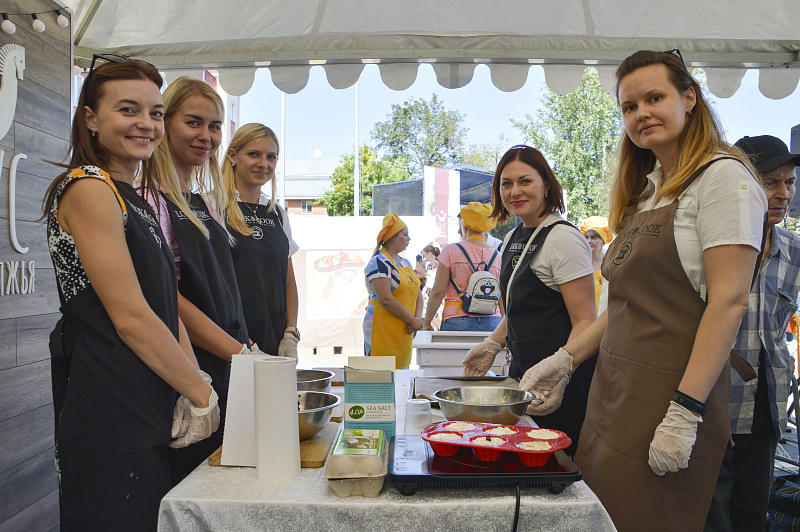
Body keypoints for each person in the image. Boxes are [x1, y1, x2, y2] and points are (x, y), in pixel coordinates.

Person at [520, 50, 768, 532]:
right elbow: (624, 304)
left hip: (670, 398)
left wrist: (685, 411)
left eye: (655, 98)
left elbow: (729, 301)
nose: (641, 114)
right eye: (629, 107)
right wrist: (566, 361)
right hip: (615, 395)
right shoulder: (648, 189)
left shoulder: (722, 179)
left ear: (690, 98)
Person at [43, 58, 218, 531]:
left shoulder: (132, 195)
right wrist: (202, 393)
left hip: (150, 407)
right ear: (91, 118)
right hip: (109, 409)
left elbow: (165, 306)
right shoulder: (87, 188)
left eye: (156, 112)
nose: (146, 123)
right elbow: (131, 316)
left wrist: (190, 379)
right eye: (128, 109)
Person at [139, 76, 249, 479]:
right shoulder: (149, 198)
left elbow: (225, 290)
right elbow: (170, 301)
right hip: (192, 366)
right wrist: (238, 354)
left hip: (226, 357)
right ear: (165, 124)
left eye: (215, 125)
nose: (206, 136)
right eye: (193, 122)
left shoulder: (206, 201)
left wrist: (245, 346)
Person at [461, 145, 597, 454]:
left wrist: (561, 374)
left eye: (525, 181)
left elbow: (586, 321)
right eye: (506, 184)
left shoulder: (562, 237)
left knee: (554, 467)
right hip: (525, 381)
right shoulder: (514, 237)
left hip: (560, 385)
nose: (514, 191)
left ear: (546, 185)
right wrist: (493, 344)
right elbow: (521, 307)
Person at [705, 135, 800, 532]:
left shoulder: (793, 250)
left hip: (766, 408)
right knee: (712, 518)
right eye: (770, 182)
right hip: (711, 405)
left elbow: (778, 330)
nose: (783, 193)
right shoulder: (708, 244)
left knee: (751, 516)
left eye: (789, 182)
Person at [219, 123, 300, 357]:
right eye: (254, 154)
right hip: (230, 340)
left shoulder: (277, 213)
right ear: (233, 155)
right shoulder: (212, 206)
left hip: (274, 338)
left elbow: (288, 282)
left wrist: (290, 334)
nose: (263, 164)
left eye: (271, 157)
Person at [423, 202, 503, 332]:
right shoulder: (498, 256)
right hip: (492, 322)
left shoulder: (451, 250)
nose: (458, 231)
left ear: (465, 226)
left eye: (460, 226)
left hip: (457, 320)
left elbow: (438, 291)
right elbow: (501, 296)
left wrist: (427, 322)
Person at [363, 214, 423, 368]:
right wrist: (411, 319)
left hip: (404, 329)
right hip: (381, 329)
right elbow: (386, 299)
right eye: (405, 235)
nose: (409, 239)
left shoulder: (405, 262)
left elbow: (418, 293)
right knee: (382, 377)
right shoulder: (379, 262)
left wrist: (416, 318)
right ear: (392, 237)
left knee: (401, 374)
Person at [579, 216, 613, 313]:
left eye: (594, 238)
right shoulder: (580, 264)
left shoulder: (610, 264)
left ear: (603, 242)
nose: (589, 241)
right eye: (586, 237)